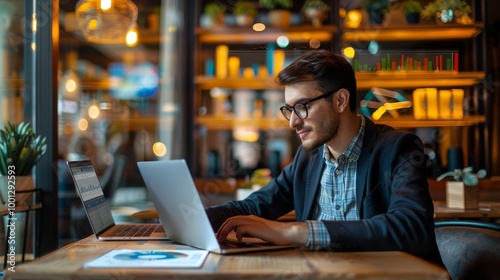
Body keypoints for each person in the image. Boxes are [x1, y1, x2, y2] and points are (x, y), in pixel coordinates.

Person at [206, 49, 443, 266]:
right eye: (289, 109)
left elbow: (411, 227)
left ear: (340, 100)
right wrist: (189, 218)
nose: (293, 122)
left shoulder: (398, 148)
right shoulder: (308, 158)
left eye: (302, 106)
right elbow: (253, 206)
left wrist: (294, 232)